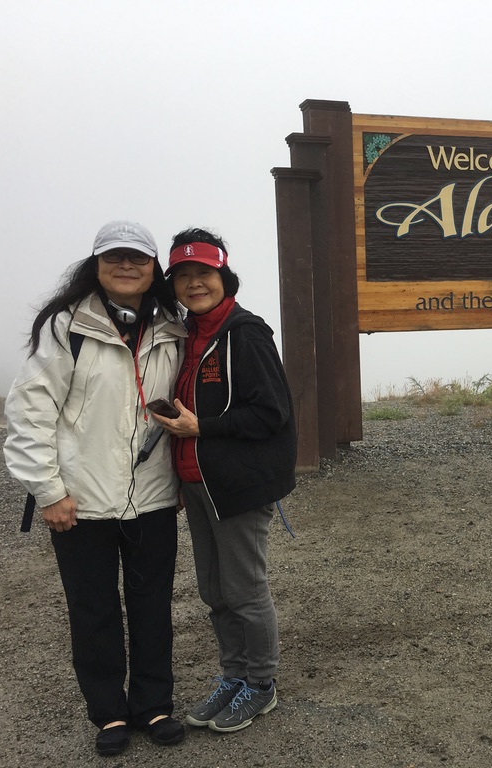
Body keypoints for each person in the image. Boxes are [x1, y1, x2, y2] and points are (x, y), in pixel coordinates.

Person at [3, 221, 188, 756]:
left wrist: (180, 477)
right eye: (114, 257)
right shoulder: (67, 326)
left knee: (153, 607)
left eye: (138, 258)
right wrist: (48, 490)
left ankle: (154, 705)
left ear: (154, 268)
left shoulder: (172, 326)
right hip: (80, 500)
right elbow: (31, 410)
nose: (126, 266)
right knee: (93, 610)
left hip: (153, 495)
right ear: (95, 265)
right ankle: (109, 713)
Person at [153, 227, 296, 733]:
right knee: (214, 589)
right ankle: (234, 676)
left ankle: (261, 684)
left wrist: (203, 428)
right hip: (197, 483)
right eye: (183, 275)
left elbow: (272, 413)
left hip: (238, 485)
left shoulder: (246, 333)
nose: (195, 283)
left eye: (204, 273)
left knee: (245, 589)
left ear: (224, 277)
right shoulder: (188, 334)